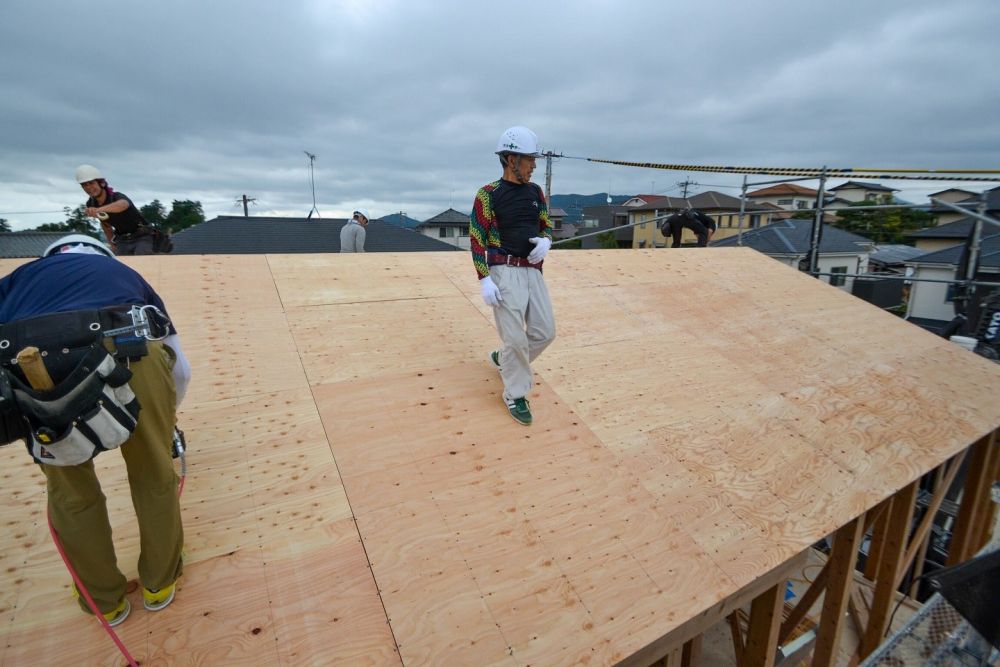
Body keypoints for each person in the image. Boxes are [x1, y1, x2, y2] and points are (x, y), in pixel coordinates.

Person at [0, 234, 188, 626]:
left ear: (51, 257)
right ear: (100, 254)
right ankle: (159, 582)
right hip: (127, 349)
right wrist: (166, 422)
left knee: (70, 491)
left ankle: (102, 599)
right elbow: (180, 367)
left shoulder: (16, 280)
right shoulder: (123, 273)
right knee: (153, 471)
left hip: (31, 364)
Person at [470, 126, 556, 426]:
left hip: (533, 270)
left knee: (545, 332)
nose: (534, 165)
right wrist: (484, 278)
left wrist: (546, 241)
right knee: (516, 338)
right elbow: (476, 237)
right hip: (503, 272)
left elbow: (545, 224)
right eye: (529, 159)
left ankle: (503, 359)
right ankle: (515, 393)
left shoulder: (535, 192)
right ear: (510, 159)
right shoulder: (488, 195)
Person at [75, 164, 155, 255]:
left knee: (142, 259)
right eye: (84, 185)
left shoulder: (116, 196)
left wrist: (98, 210)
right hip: (122, 239)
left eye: (91, 183)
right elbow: (106, 225)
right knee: (120, 263)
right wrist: (112, 244)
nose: (88, 188)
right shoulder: (91, 203)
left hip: (143, 236)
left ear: (102, 183)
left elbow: (123, 205)